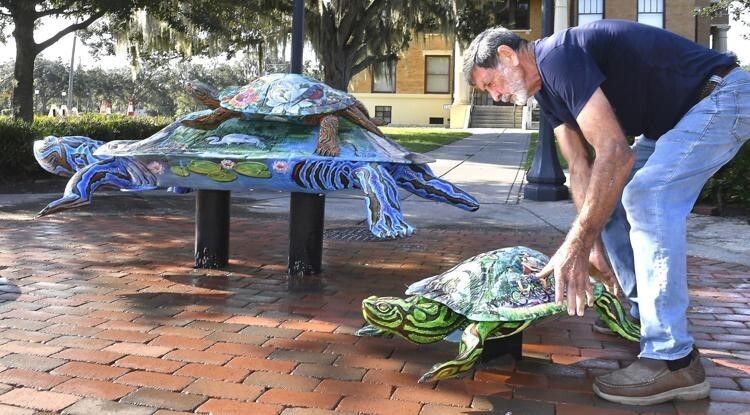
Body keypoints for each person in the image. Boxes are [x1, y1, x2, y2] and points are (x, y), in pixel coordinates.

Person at [462, 20, 748, 406]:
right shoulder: (545, 93)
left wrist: (575, 246)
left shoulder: (558, 57)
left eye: (489, 84)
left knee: (648, 198)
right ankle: (641, 318)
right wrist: (593, 244)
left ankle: (672, 359)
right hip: (672, 120)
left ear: (507, 55)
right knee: (611, 198)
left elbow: (615, 150)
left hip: (717, 95)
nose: (494, 97)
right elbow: (581, 166)